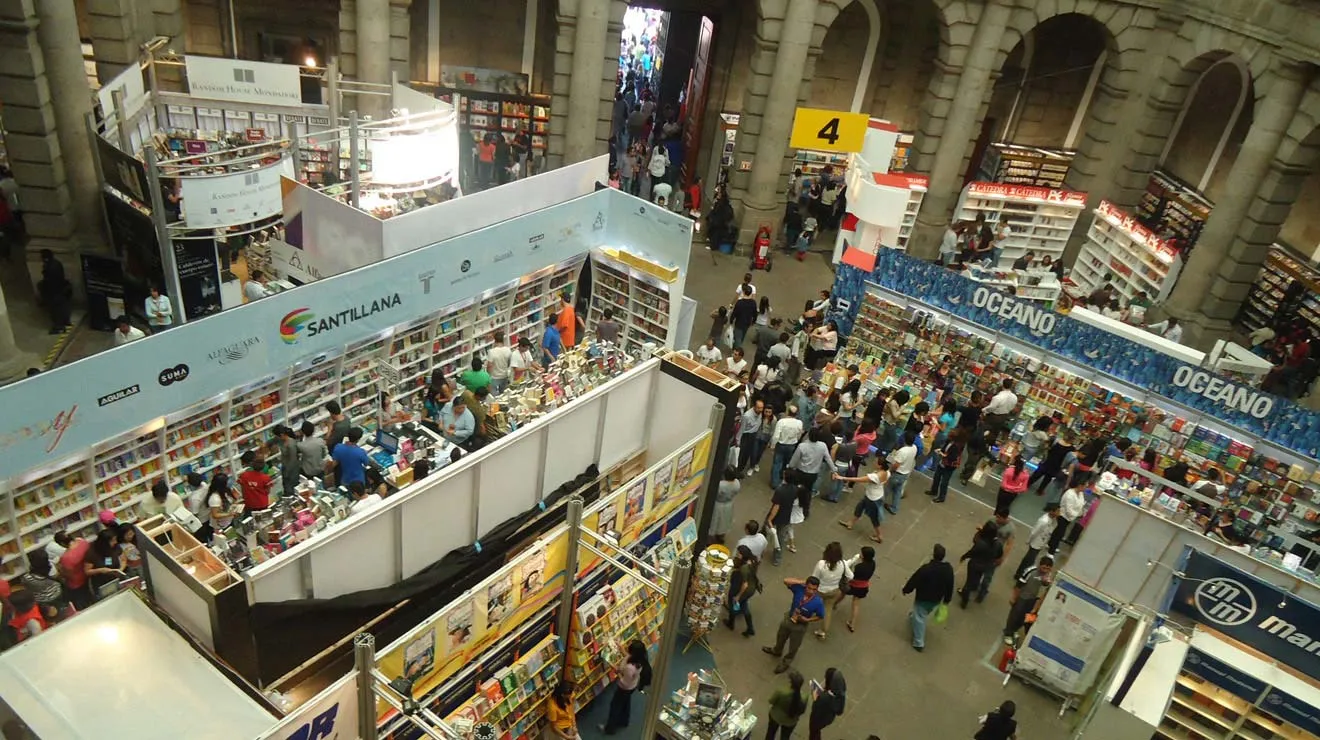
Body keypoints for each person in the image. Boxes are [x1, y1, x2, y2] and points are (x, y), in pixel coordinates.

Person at [762, 575, 825, 673]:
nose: (811, 591)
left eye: (814, 589)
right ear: (805, 585)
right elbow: (785, 580)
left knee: (794, 646)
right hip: (789, 618)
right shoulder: (799, 589)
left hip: (800, 626)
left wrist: (808, 620)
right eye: (809, 588)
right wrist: (801, 581)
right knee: (781, 636)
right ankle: (777, 650)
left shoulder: (818, 602)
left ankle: (786, 662)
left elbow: (820, 616)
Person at [902, 543, 955, 652]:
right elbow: (950, 585)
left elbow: (914, 580)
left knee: (920, 617)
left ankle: (918, 642)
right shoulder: (948, 569)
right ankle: (914, 617)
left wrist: (906, 590)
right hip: (937, 598)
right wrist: (947, 600)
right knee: (924, 612)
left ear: (933, 554)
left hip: (923, 597)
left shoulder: (926, 569)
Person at [599, 639, 651, 734]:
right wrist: (620, 647)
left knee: (615, 706)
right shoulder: (640, 659)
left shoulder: (630, 668)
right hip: (632, 686)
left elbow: (624, 680)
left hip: (625, 688)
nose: (627, 648)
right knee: (626, 703)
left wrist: (614, 668)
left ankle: (609, 729)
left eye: (629, 648)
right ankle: (624, 721)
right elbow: (628, 656)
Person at [835, 459, 888, 544]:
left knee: (874, 518)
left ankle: (879, 536)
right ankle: (851, 523)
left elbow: (858, 479)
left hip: (872, 498)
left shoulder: (874, 476)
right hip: (876, 495)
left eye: (876, 462)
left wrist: (842, 477)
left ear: (880, 466)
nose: (874, 462)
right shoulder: (887, 472)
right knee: (860, 507)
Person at [1005, 555, 1054, 642]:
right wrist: (1014, 597)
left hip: (1033, 599)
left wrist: (1045, 581)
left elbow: (1045, 587)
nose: (1045, 570)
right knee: (1015, 615)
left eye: (1047, 569)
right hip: (1023, 597)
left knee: (1026, 617)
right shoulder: (1030, 571)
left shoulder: (1048, 575)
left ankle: (1015, 630)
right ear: (1039, 565)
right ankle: (1008, 633)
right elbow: (1019, 584)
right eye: (1043, 568)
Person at [810, 542, 852, 639]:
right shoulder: (842, 564)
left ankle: (806, 616)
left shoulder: (821, 564)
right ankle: (823, 631)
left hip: (820, 591)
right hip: (834, 590)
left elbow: (814, 578)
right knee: (828, 611)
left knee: (811, 603)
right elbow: (851, 576)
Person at [959, 521, 1002, 608]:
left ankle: (964, 600)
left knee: (968, 582)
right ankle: (974, 586)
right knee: (978, 577)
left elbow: (972, 552)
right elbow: (999, 555)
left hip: (975, 564)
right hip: (986, 565)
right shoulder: (998, 544)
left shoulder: (981, 543)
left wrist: (963, 557)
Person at [980, 509, 1016, 601]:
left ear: (1005, 518)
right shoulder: (992, 520)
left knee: (988, 576)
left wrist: (1002, 558)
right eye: (997, 516)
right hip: (985, 550)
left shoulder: (1010, 528)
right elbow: (984, 530)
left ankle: (983, 592)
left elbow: (1009, 544)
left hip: (995, 554)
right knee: (979, 570)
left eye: (999, 518)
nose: (997, 519)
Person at [1015, 504, 1058, 580]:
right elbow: (1034, 532)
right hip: (1036, 543)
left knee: (1029, 560)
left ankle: (1021, 574)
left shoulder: (1052, 520)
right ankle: (1020, 575)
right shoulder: (1043, 521)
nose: (1059, 513)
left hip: (1041, 543)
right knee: (1029, 561)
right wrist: (1028, 540)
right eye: (1058, 511)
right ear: (1052, 511)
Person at [725, 544, 760, 636]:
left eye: (738, 553)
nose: (737, 554)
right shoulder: (754, 559)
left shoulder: (744, 568)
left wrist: (738, 596)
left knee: (733, 603)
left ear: (742, 555)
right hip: (751, 588)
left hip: (742, 588)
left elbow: (745, 584)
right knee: (744, 605)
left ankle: (731, 623)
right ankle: (750, 628)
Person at [765, 669, 808, 740]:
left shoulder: (781, 692)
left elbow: (771, 701)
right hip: (791, 721)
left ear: (790, 682)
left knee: (771, 733)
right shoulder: (804, 697)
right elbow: (802, 711)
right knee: (785, 737)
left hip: (776, 717)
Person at [806, 668, 846, 740]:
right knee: (817, 731)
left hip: (818, 718)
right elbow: (839, 711)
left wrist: (816, 699)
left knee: (813, 731)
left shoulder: (823, 698)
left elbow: (815, 708)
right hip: (828, 718)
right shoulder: (841, 693)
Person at [884, 431, 918, 515]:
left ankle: (877, 503)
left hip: (897, 474)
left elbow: (896, 465)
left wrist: (889, 471)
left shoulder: (903, 451)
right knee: (897, 492)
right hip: (905, 474)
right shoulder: (914, 447)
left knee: (886, 489)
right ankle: (894, 508)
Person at [38, 249, 71, 334]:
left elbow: (48, 281)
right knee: (63, 307)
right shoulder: (57, 263)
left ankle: (59, 327)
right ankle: (66, 321)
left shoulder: (49, 267)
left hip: (54, 292)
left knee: (55, 311)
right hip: (61, 289)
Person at [84, 528, 124, 598]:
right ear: (104, 543)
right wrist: (101, 570)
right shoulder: (92, 553)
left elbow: (123, 559)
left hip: (115, 577)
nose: (115, 542)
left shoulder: (115, 546)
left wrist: (121, 569)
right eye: (113, 540)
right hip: (101, 581)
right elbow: (87, 571)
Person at [1053, 477, 1089, 553]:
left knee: (1059, 532)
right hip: (1063, 516)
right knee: (1059, 533)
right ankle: (1051, 550)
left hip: (1070, 518)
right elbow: (1069, 510)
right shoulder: (1070, 494)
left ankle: (1051, 544)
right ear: (1080, 485)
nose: (1086, 488)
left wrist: (1080, 512)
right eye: (1085, 486)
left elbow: (1081, 504)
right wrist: (1078, 514)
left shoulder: (1081, 494)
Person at [710, 469, 740, 542]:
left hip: (718, 505)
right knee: (725, 522)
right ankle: (721, 536)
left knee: (715, 522)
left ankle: (710, 540)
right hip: (729, 504)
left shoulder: (721, 485)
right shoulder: (737, 483)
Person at [738, 398, 766, 473]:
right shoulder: (747, 416)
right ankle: (737, 471)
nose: (761, 410)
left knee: (747, 455)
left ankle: (741, 470)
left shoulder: (760, 414)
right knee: (742, 455)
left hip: (754, 435)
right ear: (754, 407)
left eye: (762, 408)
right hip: (746, 436)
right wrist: (738, 441)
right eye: (759, 408)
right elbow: (741, 429)